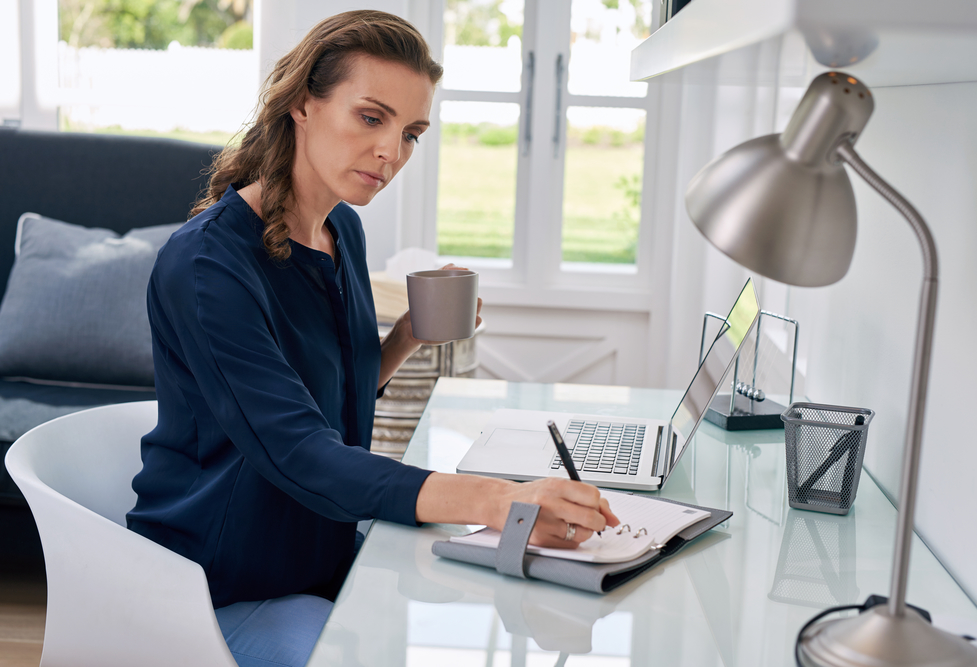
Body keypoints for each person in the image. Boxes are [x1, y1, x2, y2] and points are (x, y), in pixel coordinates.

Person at [127, 10, 617, 663]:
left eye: (411, 132)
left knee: (516, 606)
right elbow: (298, 448)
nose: (392, 151)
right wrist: (499, 499)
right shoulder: (207, 266)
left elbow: (325, 399)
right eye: (370, 117)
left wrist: (407, 334)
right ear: (303, 103)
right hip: (219, 584)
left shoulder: (339, 232)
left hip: (312, 557)